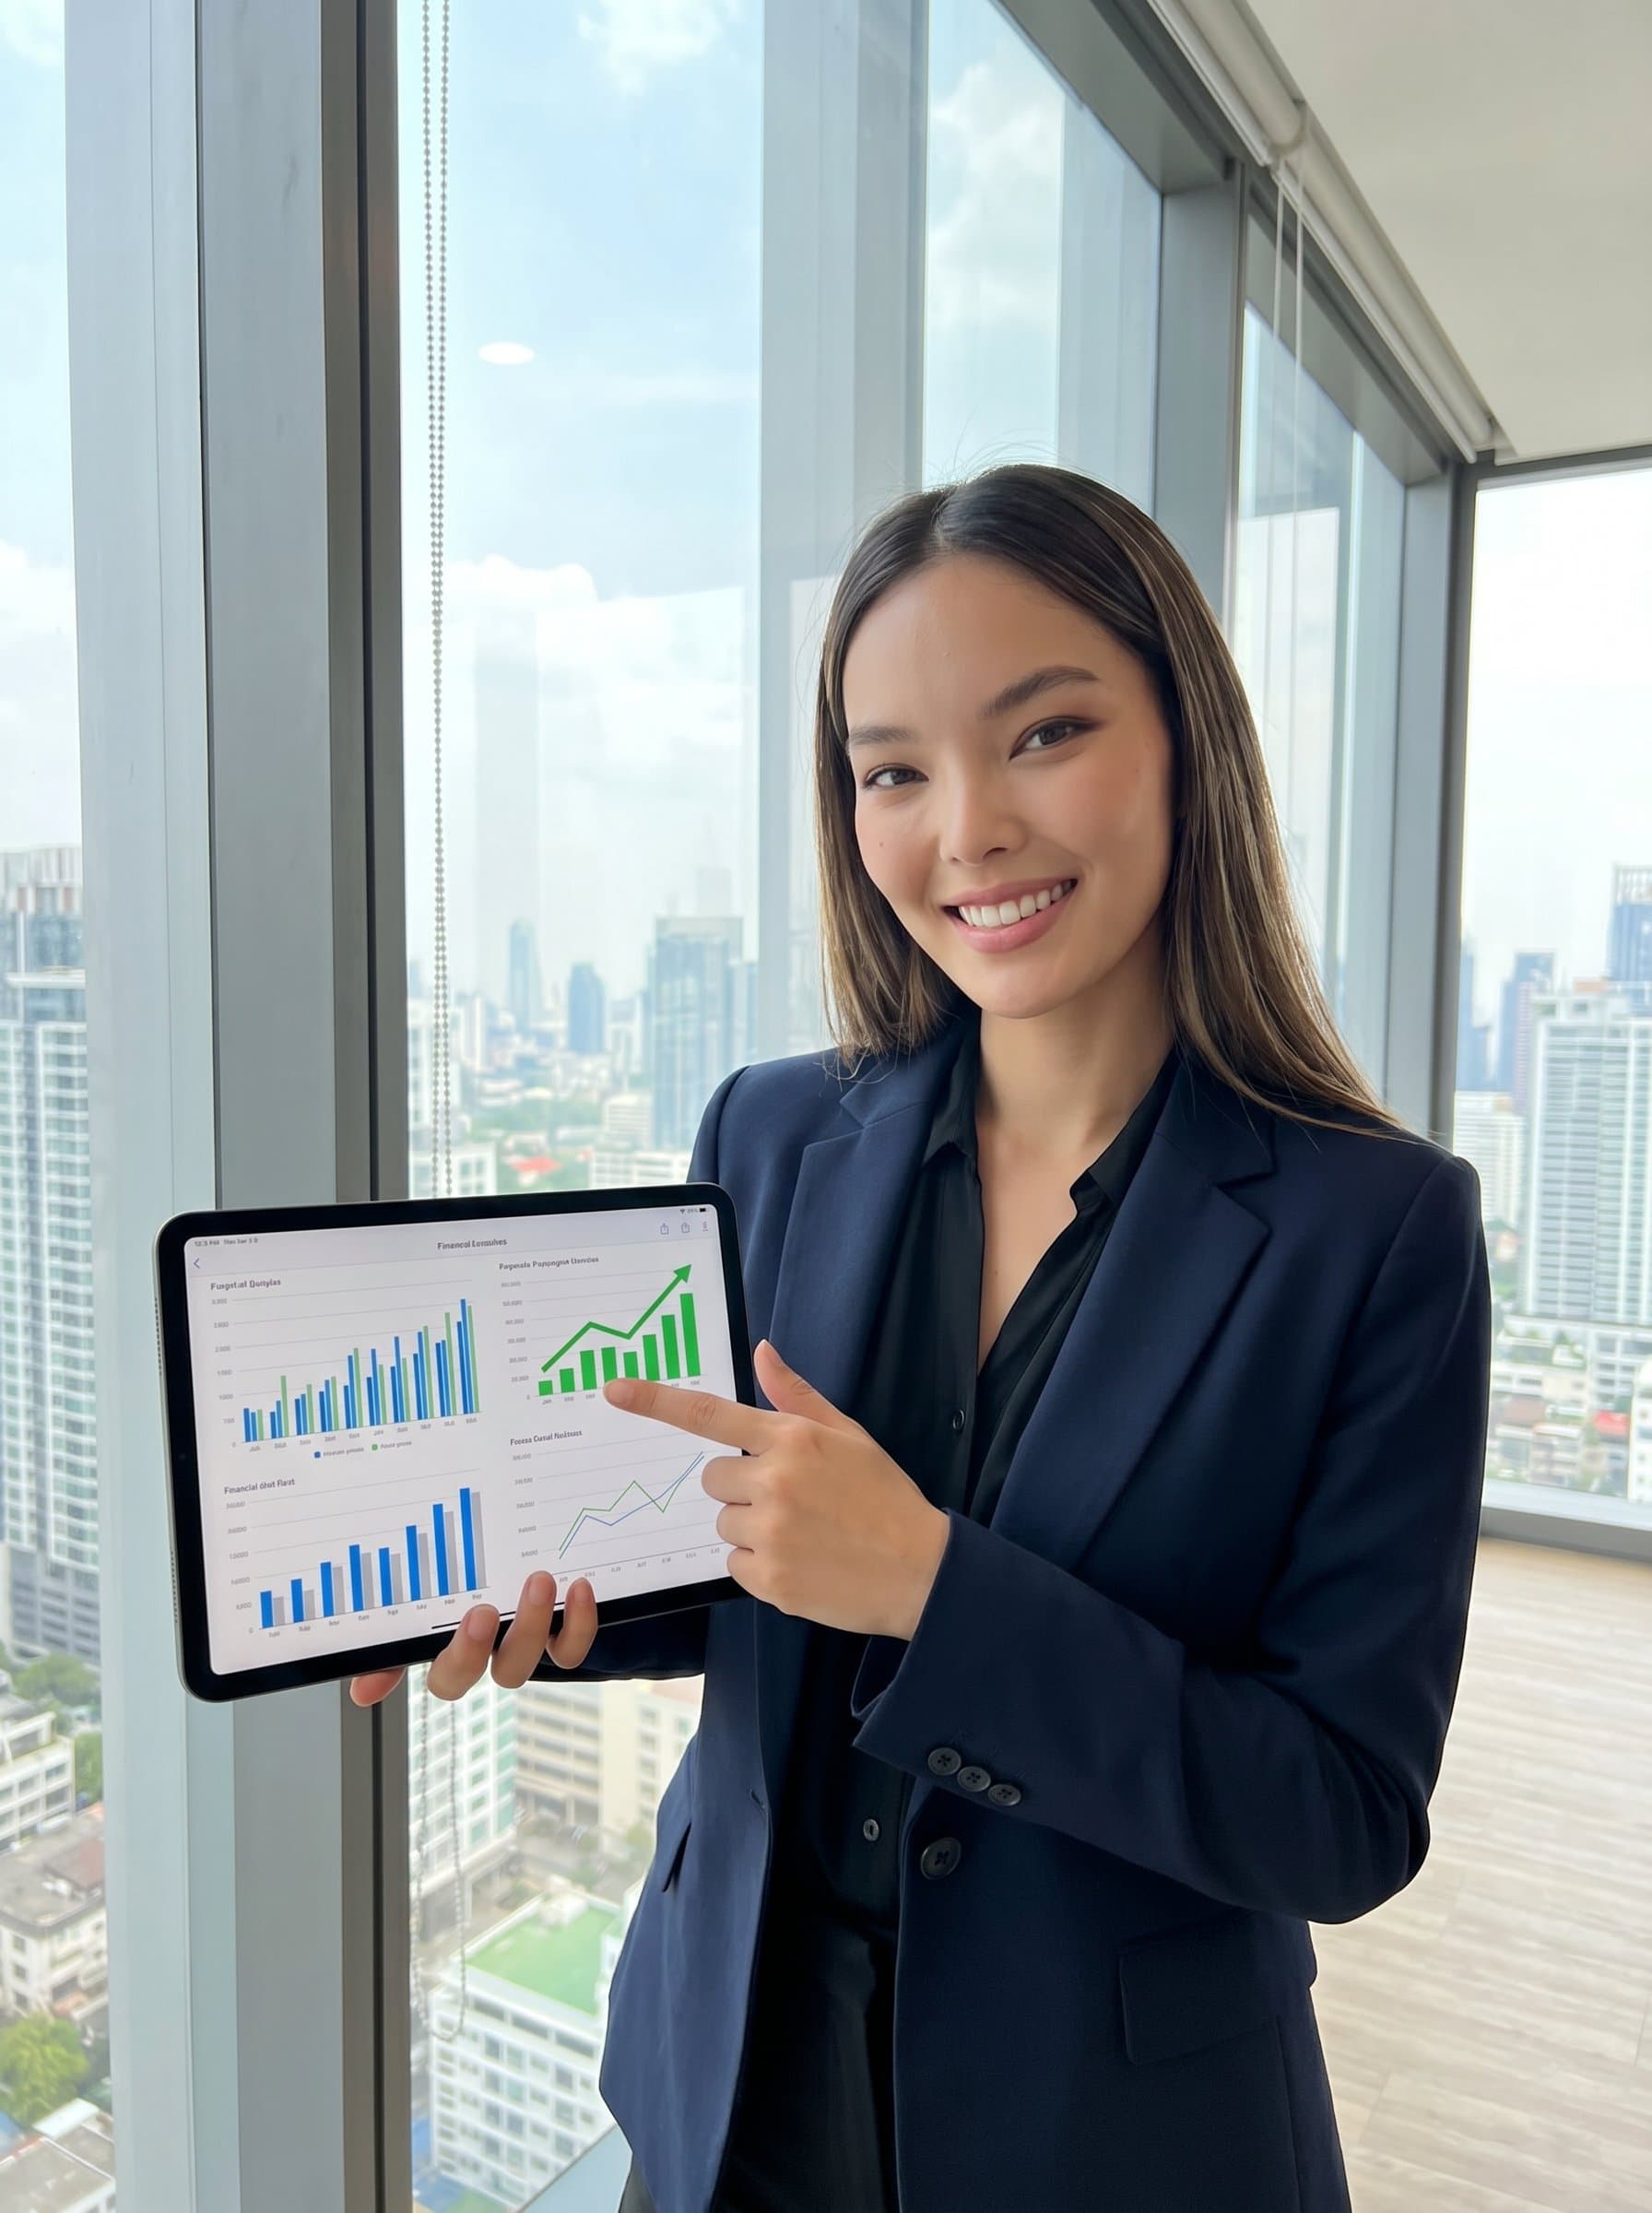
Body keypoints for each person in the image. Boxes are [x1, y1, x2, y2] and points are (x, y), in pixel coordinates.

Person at [353, 463, 1493, 2213]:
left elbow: (1340, 1811)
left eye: (1042, 734)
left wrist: (935, 1591)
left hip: (1108, 2142)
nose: (964, 830)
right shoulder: (771, 1131)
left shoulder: (1376, 1232)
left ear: (1186, 737)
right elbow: (745, 1566)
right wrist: (533, 1602)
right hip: (735, 2085)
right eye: (893, 771)